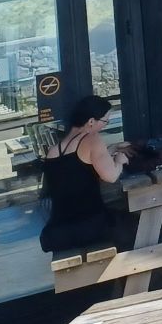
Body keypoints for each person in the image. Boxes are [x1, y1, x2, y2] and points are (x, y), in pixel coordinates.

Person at [39, 96, 134, 253]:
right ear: (91, 121)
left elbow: (76, 167)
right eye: (105, 121)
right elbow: (111, 176)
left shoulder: (54, 151)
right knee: (148, 227)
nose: (105, 126)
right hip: (91, 227)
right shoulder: (92, 139)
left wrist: (112, 148)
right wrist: (119, 161)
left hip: (59, 233)